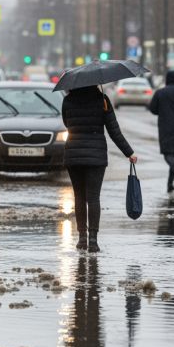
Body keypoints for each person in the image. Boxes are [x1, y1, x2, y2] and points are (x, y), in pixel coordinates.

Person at [61, 84, 137, 253]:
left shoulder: (67, 100)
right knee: (93, 198)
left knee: (79, 197)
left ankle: (81, 239)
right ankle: (93, 241)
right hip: (96, 156)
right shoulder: (102, 100)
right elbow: (113, 131)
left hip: (73, 154)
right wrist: (128, 152)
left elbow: (67, 123)